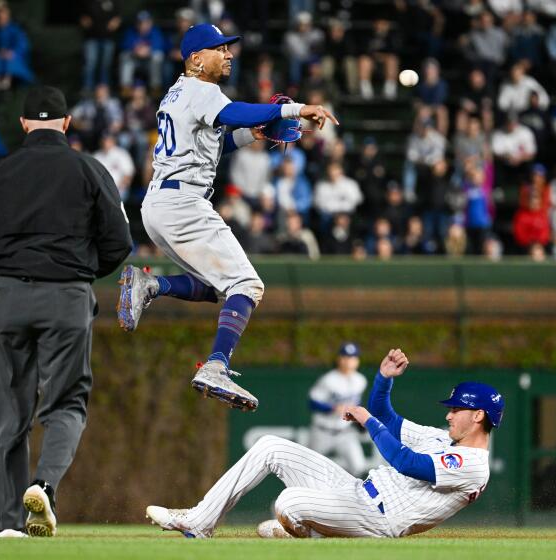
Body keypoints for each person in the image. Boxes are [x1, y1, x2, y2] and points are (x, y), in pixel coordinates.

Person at [0, 86, 133, 538]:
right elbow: (120, 242)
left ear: (23, 124)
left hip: (9, 297)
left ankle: (7, 526)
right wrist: (81, 273)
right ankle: (43, 485)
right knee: (66, 402)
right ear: (66, 123)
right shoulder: (89, 169)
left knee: (10, 411)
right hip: (67, 298)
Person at [116, 24, 338, 412]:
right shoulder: (202, 90)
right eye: (219, 49)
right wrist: (295, 108)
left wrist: (254, 134)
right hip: (183, 204)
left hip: (163, 204)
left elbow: (215, 145)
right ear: (196, 59)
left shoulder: (178, 94)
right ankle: (216, 365)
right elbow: (232, 112)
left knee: (223, 289)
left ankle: (151, 285)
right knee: (248, 286)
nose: (229, 54)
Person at [145, 348, 504, 538]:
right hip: (357, 491)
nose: (448, 415)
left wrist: (367, 421)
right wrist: (383, 380)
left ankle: (310, 532)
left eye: (456, 409)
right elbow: (388, 418)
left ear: (477, 416)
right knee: (271, 446)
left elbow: (407, 463)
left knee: (287, 501)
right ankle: (199, 521)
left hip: (378, 520)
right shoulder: (444, 438)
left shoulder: (473, 466)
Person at [308, 342, 368, 477]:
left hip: (345, 433)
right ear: (339, 359)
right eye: (345, 357)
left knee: (359, 467)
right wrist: (332, 408)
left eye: (353, 358)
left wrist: (359, 422)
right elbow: (312, 403)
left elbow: (356, 403)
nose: (349, 361)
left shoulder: (361, 380)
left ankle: (349, 496)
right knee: (307, 469)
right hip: (322, 432)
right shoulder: (328, 380)